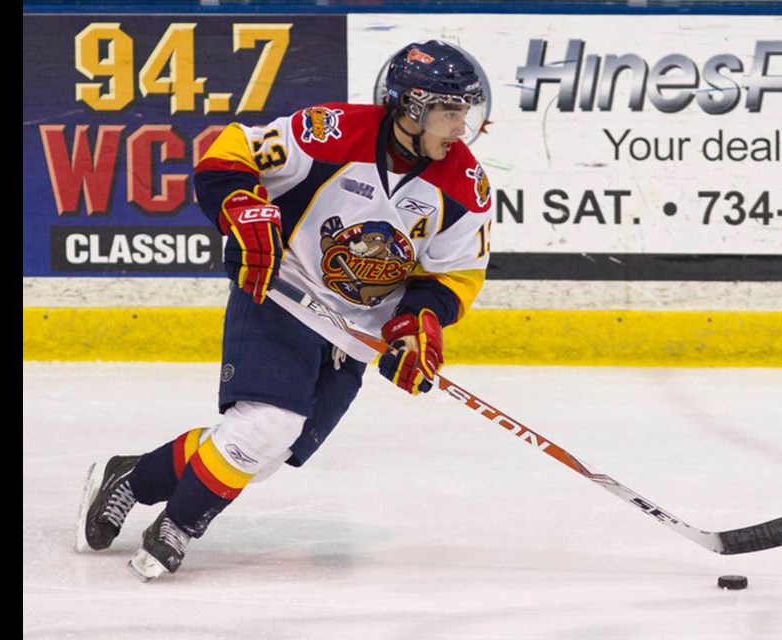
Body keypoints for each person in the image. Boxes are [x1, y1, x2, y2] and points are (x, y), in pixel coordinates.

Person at [73, 40, 494, 581]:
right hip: (282, 293)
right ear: (410, 107)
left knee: (267, 450)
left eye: (466, 111)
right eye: (450, 111)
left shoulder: (466, 187)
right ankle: (176, 528)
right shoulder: (331, 132)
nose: (461, 127)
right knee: (267, 426)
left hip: (352, 336)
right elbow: (231, 152)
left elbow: (452, 275)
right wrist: (243, 206)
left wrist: (418, 324)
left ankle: (131, 479)